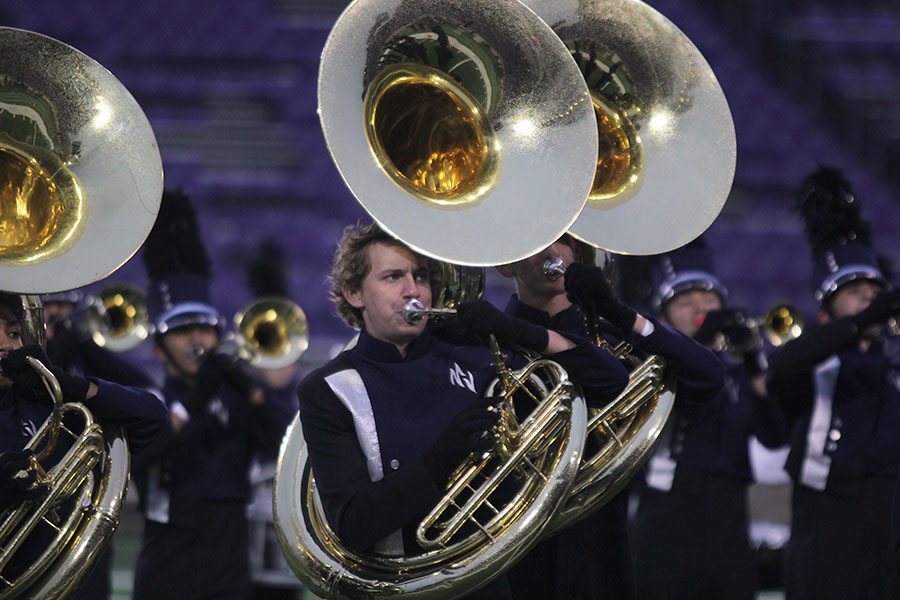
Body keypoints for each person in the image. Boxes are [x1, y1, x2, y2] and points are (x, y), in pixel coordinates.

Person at [296, 222, 630, 599]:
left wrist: (517, 331)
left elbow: (611, 382)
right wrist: (442, 457)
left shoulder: (473, 354)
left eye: (420, 276)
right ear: (354, 293)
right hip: (404, 586)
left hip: (492, 583)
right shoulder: (329, 389)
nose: (413, 291)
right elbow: (353, 524)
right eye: (393, 277)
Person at [495, 235, 726, 600]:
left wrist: (619, 312)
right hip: (514, 547)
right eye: (539, 241)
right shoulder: (491, 338)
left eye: (566, 243)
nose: (554, 253)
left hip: (601, 543)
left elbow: (708, 377)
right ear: (505, 265)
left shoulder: (613, 331)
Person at [131, 190, 294, 600]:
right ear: (158, 348)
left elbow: (283, 446)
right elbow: (149, 456)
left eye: (205, 328)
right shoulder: (146, 399)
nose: (198, 340)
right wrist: (198, 395)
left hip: (229, 564)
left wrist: (249, 387)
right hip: (166, 563)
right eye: (184, 331)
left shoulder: (238, 395)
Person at [620, 236, 789, 600]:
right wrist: (706, 336)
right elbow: (680, 402)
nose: (702, 309)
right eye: (687, 302)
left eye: (710, 300)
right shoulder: (652, 364)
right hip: (669, 509)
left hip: (730, 510)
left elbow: (774, 434)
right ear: (664, 316)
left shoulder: (740, 370)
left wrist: (753, 361)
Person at [768, 166, 900, 599]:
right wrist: (864, 321)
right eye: (854, 290)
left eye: (872, 290)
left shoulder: (892, 361)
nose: (867, 296)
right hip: (830, 512)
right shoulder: (814, 359)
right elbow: (785, 366)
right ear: (827, 304)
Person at [0, 292, 167, 591]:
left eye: (14, 333)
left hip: (76, 582)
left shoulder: (48, 406)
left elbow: (151, 416)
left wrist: (71, 384)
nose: (6, 344)